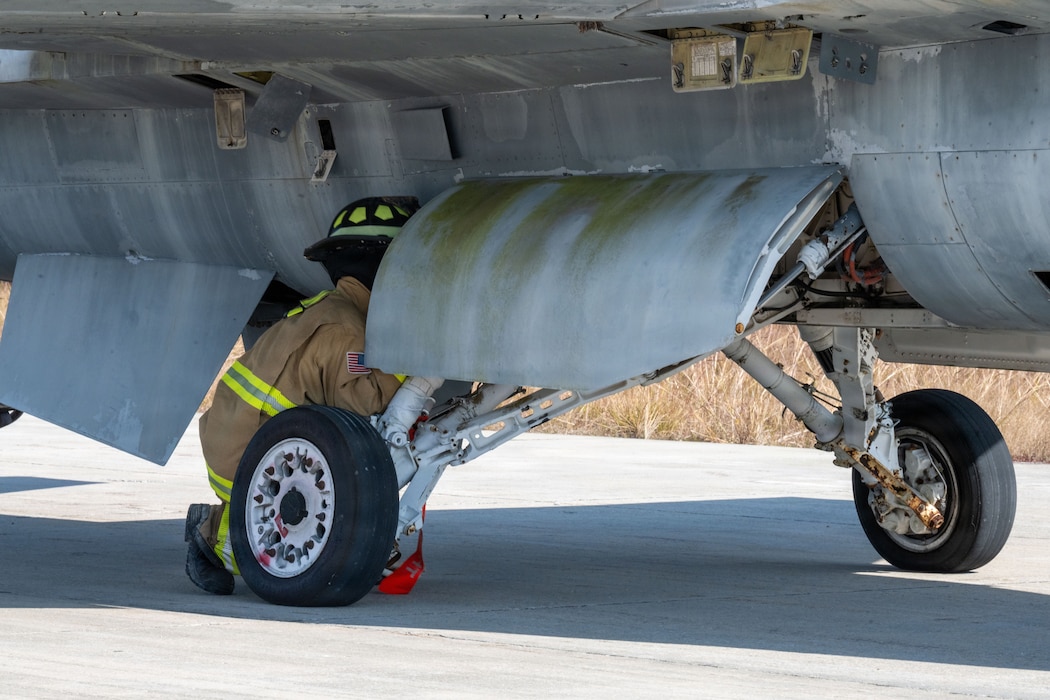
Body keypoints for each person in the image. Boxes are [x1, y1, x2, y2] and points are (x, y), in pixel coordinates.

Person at [184, 196, 415, 595]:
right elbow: (363, 405)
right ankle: (213, 537)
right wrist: (407, 363)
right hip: (250, 460)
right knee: (296, 545)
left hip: (233, 437)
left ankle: (220, 523)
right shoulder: (349, 333)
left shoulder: (326, 309)